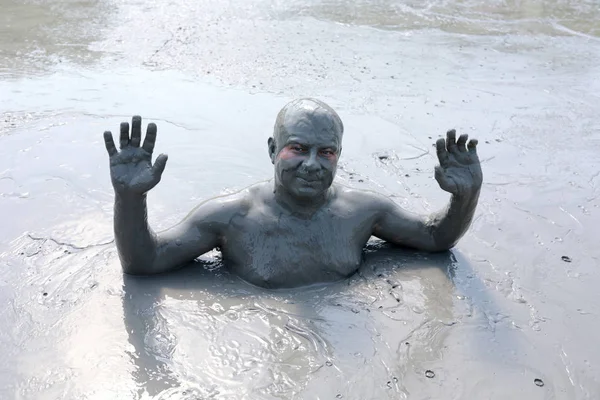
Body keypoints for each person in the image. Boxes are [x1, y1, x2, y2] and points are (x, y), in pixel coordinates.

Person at [103, 98, 483, 288]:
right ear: (273, 149)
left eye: (326, 152)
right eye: (298, 149)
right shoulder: (231, 218)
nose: (313, 164)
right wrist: (130, 198)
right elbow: (144, 263)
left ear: (338, 156)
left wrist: (465, 197)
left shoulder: (364, 212)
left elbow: (436, 239)